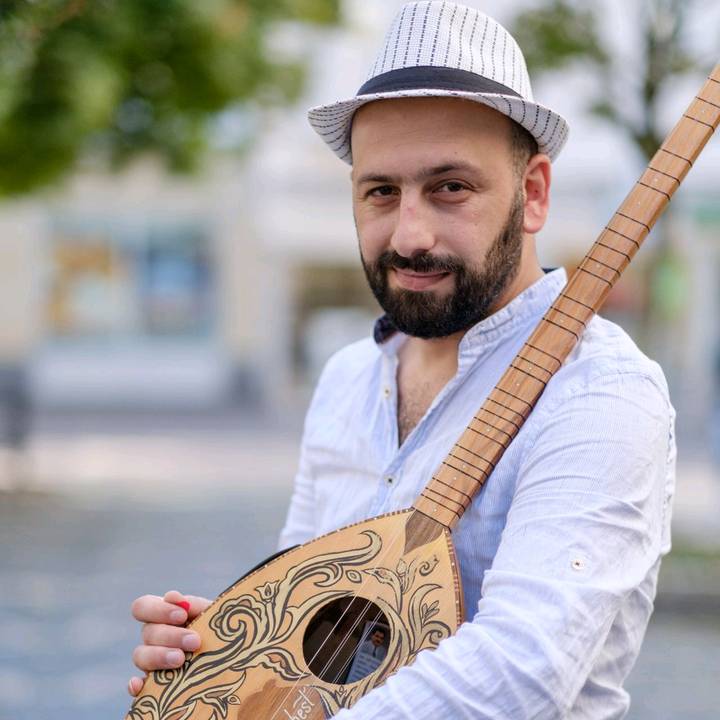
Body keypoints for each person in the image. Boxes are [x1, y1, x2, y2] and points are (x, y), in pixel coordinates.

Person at [127, 3, 676, 718]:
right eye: (381, 191)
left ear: (533, 194)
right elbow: (314, 618)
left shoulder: (600, 392)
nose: (409, 234)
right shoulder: (347, 378)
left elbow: (521, 671)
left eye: (451, 187)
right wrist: (229, 656)